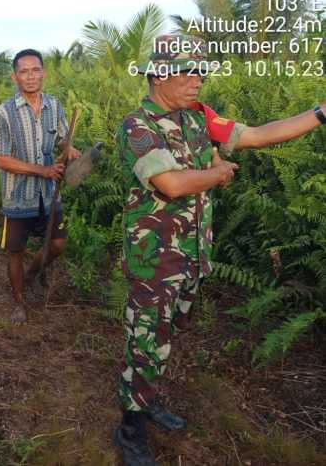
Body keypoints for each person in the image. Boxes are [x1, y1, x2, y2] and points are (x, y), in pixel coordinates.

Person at [113, 34, 326, 466]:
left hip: (191, 255)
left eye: (201, 71)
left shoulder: (197, 118)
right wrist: (219, 172)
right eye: (189, 71)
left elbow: (259, 135)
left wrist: (320, 112)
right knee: (146, 341)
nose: (198, 80)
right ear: (159, 74)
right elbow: (170, 184)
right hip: (154, 260)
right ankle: (129, 430)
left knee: (167, 336)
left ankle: (149, 400)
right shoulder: (138, 125)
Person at [0, 49, 81, 325]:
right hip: (18, 196)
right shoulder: (4, 113)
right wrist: (43, 170)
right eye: (24, 71)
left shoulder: (55, 106)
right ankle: (19, 301)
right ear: (16, 76)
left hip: (49, 194)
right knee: (15, 251)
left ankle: (31, 275)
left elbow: (62, 138)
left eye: (35, 69)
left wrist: (70, 149)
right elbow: (0, 159)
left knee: (58, 243)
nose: (30, 76)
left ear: (44, 72)